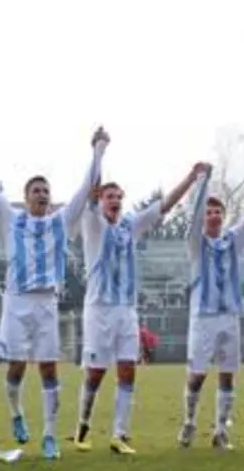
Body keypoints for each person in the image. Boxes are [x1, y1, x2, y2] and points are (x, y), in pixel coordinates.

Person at [0, 127, 105, 460]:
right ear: (26, 196)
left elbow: (86, 187)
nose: (42, 195)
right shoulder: (11, 219)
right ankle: (16, 414)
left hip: (46, 302)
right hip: (16, 302)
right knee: (16, 368)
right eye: (36, 191)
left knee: (48, 369)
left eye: (46, 191)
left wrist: (99, 150)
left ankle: (49, 435)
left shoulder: (61, 221)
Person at [73, 160, 207, 454]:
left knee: (128, 370)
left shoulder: (130, 226)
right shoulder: (92, 222)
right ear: (99, 200)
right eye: (110, 196)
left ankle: (120, 434)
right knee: (95, 372)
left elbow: (164, 206)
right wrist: (99, 151)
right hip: (99, 309)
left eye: (119, 197)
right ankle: (83, 424)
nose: (116, 201)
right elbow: (90, 190)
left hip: (126, 310)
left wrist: (191, 178)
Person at [177, 165, 244, 451]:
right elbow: (192, 221)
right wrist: (201, 182)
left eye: (218, 211)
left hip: (229, 316)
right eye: (209, 211)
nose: (214, 216)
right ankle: (190, 421)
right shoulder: (195, 244)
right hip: (203, 318)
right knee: (197, 375)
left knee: (228, 373)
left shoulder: (232, 241)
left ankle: (220, 430)